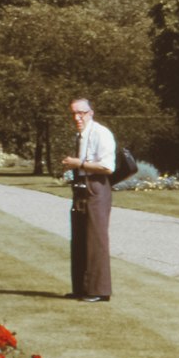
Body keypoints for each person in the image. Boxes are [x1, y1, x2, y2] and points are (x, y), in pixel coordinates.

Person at [61, 97, 115, 301]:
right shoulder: (80, 136)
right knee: (80, 238)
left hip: (96, 187)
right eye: (73, 113)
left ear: (91, 112)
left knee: (95, 239)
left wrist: (78, 163)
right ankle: (81, 288)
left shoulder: (101, 133)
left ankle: (98, 290)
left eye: (81, 113)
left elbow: (108, 167)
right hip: (81, 187)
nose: (77, 117)